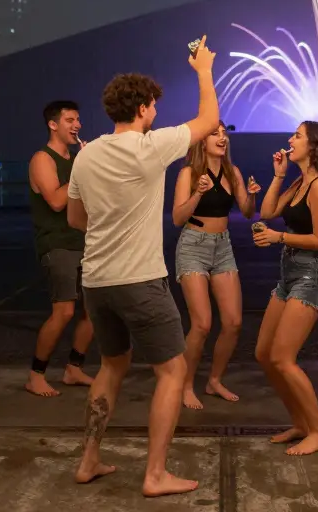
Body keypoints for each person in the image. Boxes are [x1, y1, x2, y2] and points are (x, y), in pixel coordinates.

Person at [65, 37, 220, 497]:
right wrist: (204, 69)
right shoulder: (150, 147)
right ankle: (155, 475)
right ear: (146, 108)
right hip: (141, 281)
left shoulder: (86, 154)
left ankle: (88, 461)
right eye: (154, 105)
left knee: (111, 366)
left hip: (96, 281)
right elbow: (208, 121)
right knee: (171, 372)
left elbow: (76, 219)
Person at [252, 121, 318, 457]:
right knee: (264, 354)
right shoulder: (298, 181)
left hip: (312, 274)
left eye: (297, 136)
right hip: (288, 273)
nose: (290, 140)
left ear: (314, 145)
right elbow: (267, 212)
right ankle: (301, 423)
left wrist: (279, 237)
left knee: (282, 358)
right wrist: (277, 175)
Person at [171, 122, 261, 410]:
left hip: (223, 246)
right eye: (215, 133)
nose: (222, 138)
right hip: (193, 246)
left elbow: (247, 212)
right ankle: (184, 385)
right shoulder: (188, 173)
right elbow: (176, 218)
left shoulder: (232, 172)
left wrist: (252, 193)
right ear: (201, 141)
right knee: (202, 324)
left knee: (233, 322)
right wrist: (198, 193)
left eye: (224, 134)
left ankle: (214, 380)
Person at [26, 100, 96, 397]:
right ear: (53, 124)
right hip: (57, 243)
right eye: (69, 120)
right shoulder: (43, 158)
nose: (76, 125)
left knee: (94, 311)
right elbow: (55, 200)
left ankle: (74, 368)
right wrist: (82, 165)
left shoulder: (76, 159)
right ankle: (36, 374)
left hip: (86, 243)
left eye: (78, 119)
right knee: (64, 312)